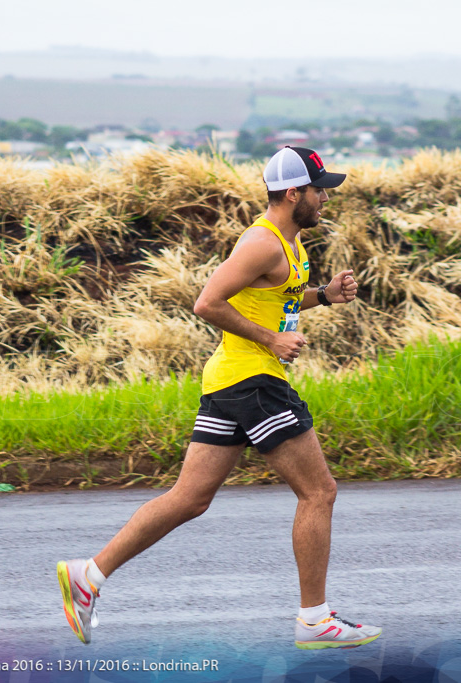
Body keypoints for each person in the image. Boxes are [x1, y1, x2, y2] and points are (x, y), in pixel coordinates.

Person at [57, 146, 381, 650]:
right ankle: (315, 620)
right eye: (319, 190)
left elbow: (278, 301)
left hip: (229, 382)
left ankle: (89, 575)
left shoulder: (290, 246)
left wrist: (325, 295)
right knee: (319, 492)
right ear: (293, 193)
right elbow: (207, 302)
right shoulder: (262, 242)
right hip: (254, 382)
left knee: (190, 499)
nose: (324, 199)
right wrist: (271, 340)